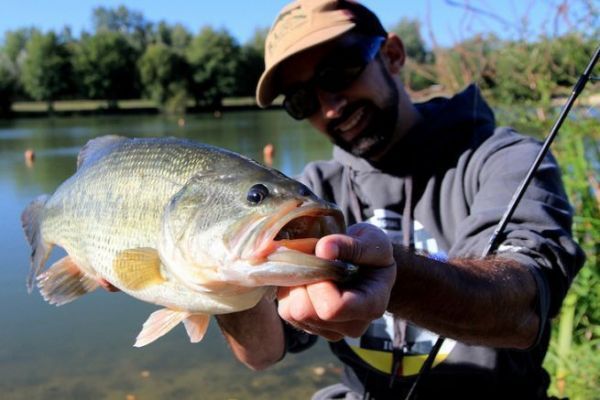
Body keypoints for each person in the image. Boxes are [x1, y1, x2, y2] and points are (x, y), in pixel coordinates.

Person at [216, 0, 585, 398]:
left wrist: (397, 279)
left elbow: (522, 310)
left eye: (338, 72)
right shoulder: (307, 194)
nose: (330, 106)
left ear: (391, 55)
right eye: (302, 99)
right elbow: (261, 353)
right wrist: (214, 273)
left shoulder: (505, 160)